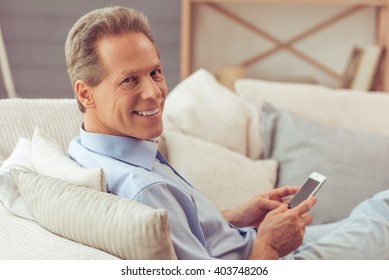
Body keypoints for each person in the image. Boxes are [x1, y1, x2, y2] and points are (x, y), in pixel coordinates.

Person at [66, 6, 389, 260]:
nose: (154, 92)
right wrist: (271, 245)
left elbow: (183, 235)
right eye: (129, 80)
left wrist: (233, 218)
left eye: (155, 72)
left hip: (248, 244)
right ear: (85, 94)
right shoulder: (143, 189)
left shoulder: (87, 150)